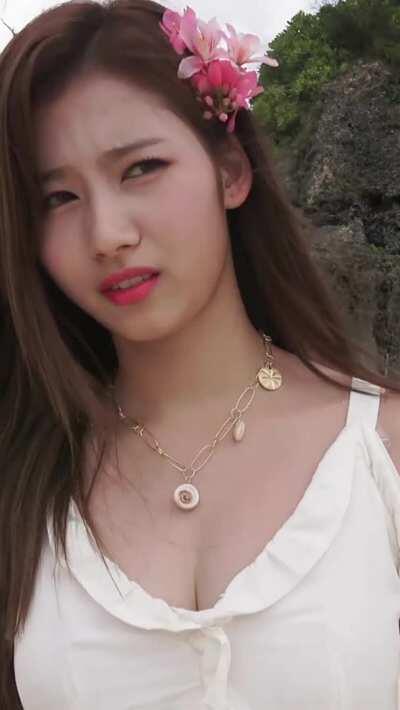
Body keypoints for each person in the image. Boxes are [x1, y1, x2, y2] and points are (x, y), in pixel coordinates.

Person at [1, 0, 400, 708]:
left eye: (141, 168)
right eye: (58, 199)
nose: (107, 234)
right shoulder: (28, 480)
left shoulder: (380, 451)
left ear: (230, 172)